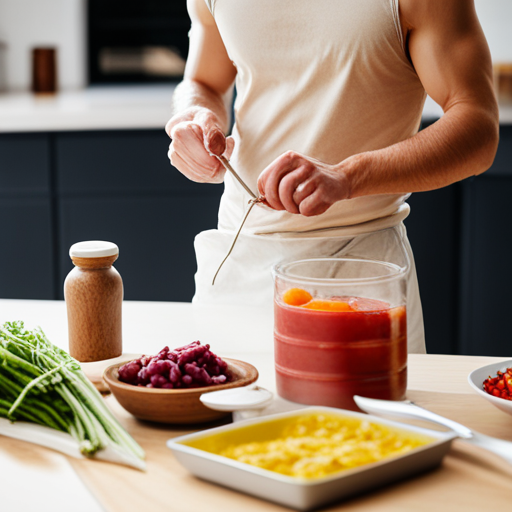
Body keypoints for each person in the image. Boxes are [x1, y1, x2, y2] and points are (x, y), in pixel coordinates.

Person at [165, 0, 499, 354]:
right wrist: (194, 114)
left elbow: (477, 127)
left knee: (364, 412)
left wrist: (346, 176)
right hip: (236, 263)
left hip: (360, 274)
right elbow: (202, 81)